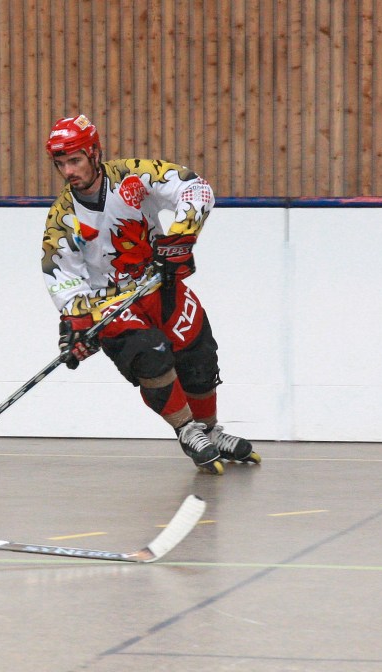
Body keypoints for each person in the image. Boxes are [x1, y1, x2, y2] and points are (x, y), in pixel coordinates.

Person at [42, 114, 260, 474]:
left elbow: (196, 188)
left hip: (159, 282)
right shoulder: (62, 219)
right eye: (61, 164)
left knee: (200, 354)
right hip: (111, 304)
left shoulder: (134, 176)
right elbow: (62, 276)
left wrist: (181, 235)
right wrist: (77, 323)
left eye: (75, 160)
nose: (68, 171)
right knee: (149, 356)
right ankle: (187, 430)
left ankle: (209, 431)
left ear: (94, 152)